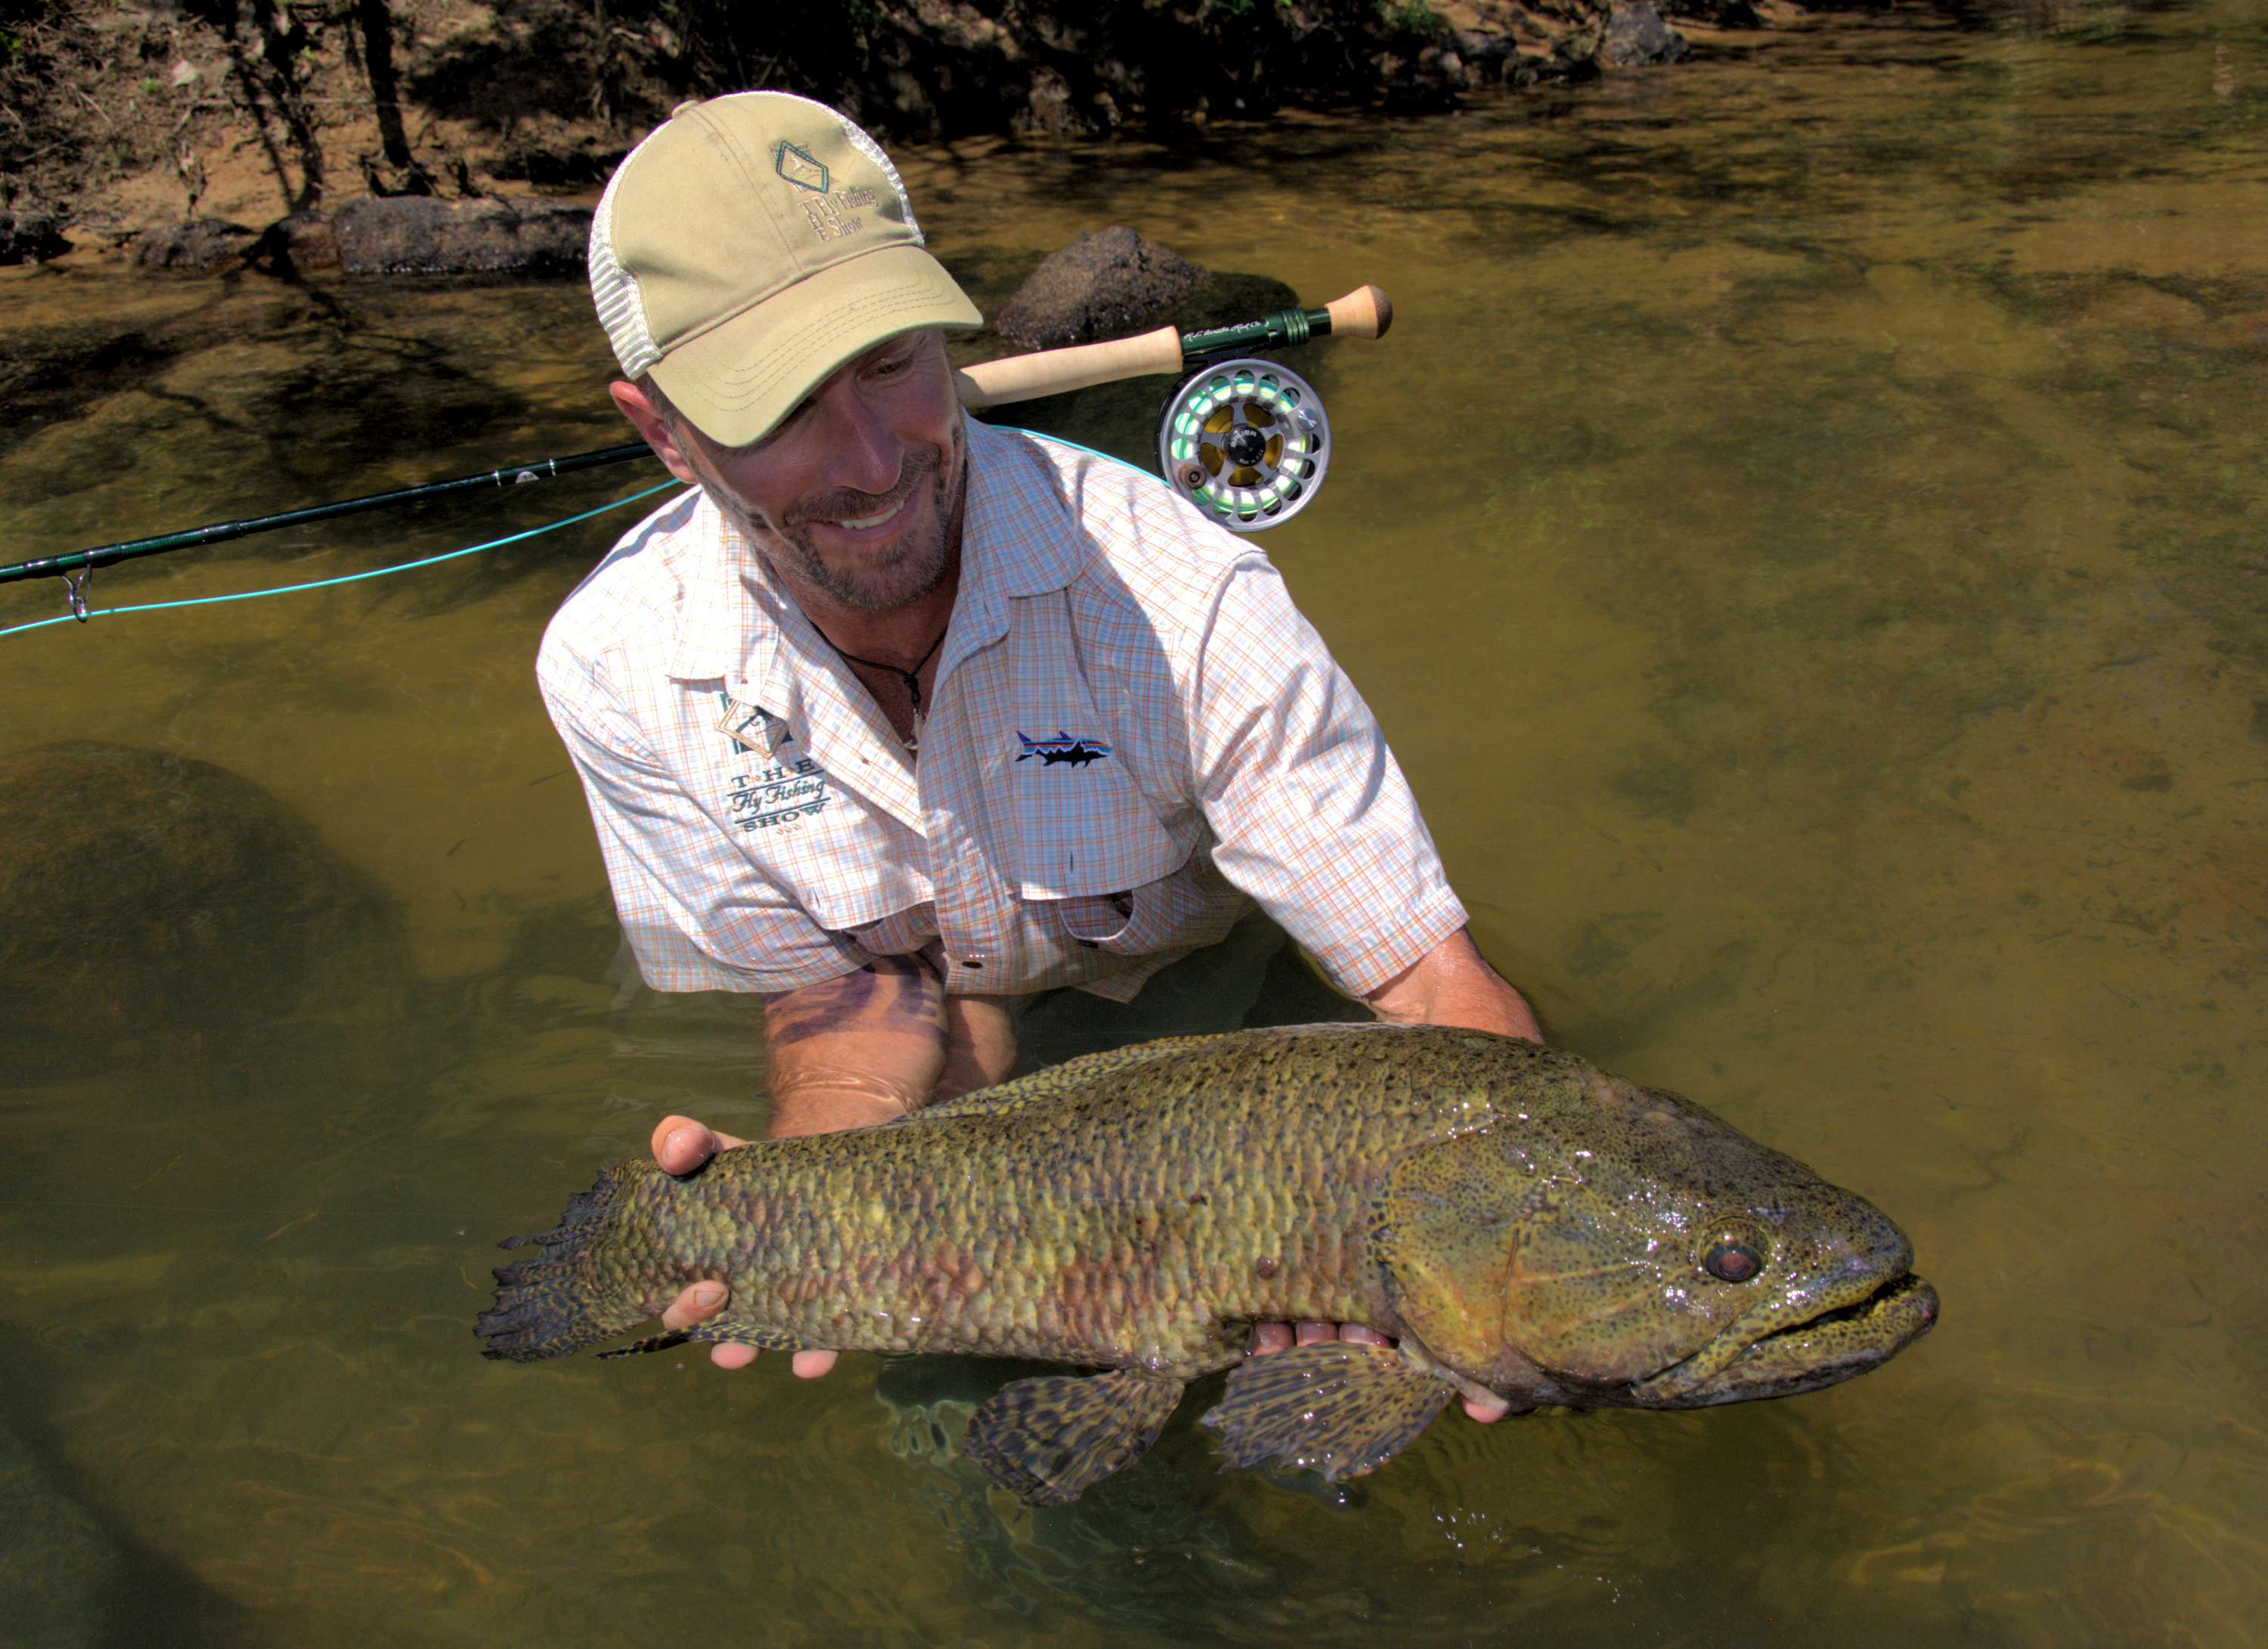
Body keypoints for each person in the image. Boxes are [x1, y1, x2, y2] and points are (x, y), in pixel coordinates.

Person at [538, 90, 1540, 1422]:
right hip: (947, 1049)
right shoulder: (615, 668)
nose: (877, 456)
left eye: (894, 362)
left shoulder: (1189, 598)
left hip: (1208, 1024)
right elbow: (858, 1002)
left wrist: (1507, 1274)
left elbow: (1429, 990)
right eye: (783, 407)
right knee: (991, 1463)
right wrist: (798, 1210)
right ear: (661, 428)